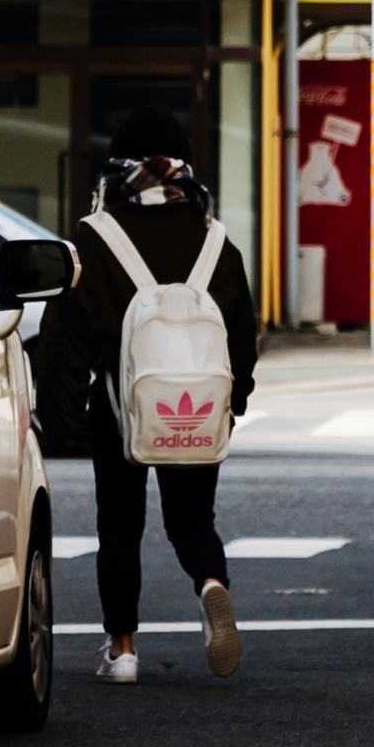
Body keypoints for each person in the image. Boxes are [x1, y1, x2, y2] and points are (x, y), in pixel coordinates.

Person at [66, 110, 259, 683]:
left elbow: (67, 334)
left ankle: (122, 650)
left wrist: (62, 412)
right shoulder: (215, 240)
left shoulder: (96, 236)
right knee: (193, 519)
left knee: (119, 527)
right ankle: (211, 585)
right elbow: (242, 334)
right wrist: (235, 401)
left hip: (118, 403)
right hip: (197, 402)